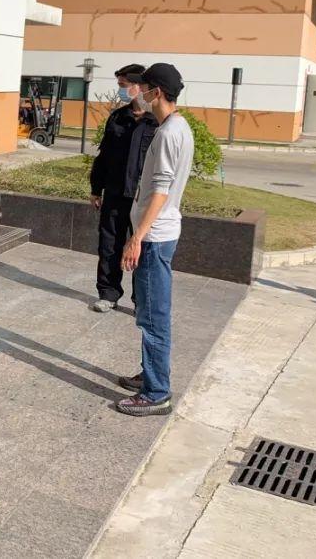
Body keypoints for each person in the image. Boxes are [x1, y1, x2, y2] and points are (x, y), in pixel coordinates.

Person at [115, 63, 193, 417]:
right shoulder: (179, 127)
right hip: (162, 232)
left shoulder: (166, 134)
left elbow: (161, 190)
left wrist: (137, 238)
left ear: (156, 92)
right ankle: (150, 374)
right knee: (150, 311)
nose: (139, 93)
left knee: (152, 317)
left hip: (155, 236)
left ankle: (156, 392)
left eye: (143, 87)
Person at [88, 64, 158, 312]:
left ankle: (142, 301)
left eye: (123, 85)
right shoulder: (117, 117)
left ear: (139, 86)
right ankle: (108, 293)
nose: (120, 90)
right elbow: (103, 156)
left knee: (143, 249)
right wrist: (96, 188)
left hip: (143, 199)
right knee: (109, 245)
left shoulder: (156, 121)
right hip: (115, 194)